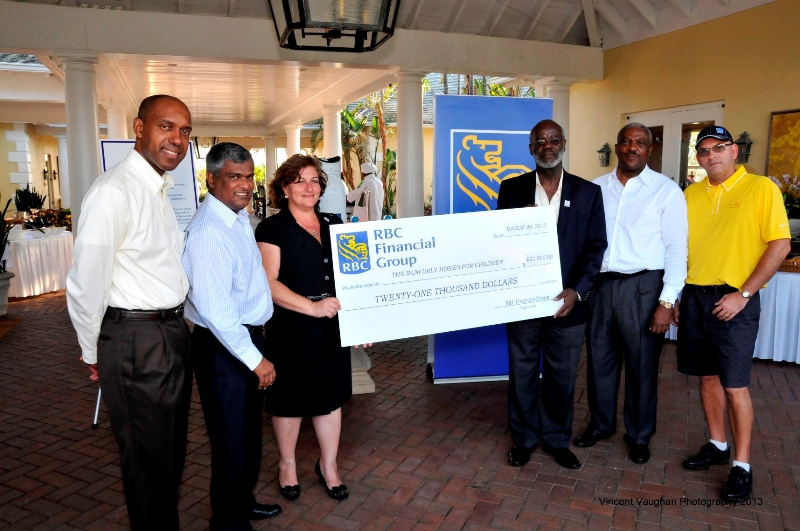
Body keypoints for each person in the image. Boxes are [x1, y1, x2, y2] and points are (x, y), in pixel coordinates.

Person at [66, 94, 194, 530]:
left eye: (185, 131)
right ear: (139, 128)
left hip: (169, 333)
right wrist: (92, 351)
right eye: (166, 126)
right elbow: (87, 281)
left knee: (170, 455)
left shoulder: (157, 187)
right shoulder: (113, 191)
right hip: (137, 340)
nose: (177, 139)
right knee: (147, 463)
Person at [676, 125, 790, 501]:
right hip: (694, 296)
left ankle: (741, 465)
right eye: (704, 150)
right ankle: (717, 444)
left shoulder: (761, 189)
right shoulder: (690, 194)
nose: (711, 155)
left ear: (734, 151)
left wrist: (743, 293)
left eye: (719, 148)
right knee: (707, 378)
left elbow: (780, 245)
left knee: (734, 384)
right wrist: (674, 295)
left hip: (735, 299)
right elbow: (681, 249)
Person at [497, 119, 607, 470]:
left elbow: (595, 249)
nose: (547, 145)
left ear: (563, 144)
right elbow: (499, 243)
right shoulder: (511, 190)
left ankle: (557, 440)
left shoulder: (588, 193)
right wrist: (517, 225)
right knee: (523, 374)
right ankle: (525, 439)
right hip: (524, 304)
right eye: (540, 141)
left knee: (562, 377)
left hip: (568, 306)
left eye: (554, 140)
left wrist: (577, 291)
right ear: (531, 148)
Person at [182, 143, 282, 530]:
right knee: (229, 440)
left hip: (244, 339)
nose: (244, 185)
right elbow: (216, 309)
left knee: (246, 435)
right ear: (212, 178)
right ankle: (226, 522)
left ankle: (242, 502)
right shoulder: (209, 231)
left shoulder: (236, 217)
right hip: (224, 348)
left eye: (248, 177)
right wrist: (254, 358)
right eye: (234, 177)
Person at [576, 123, 688, 465]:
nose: (632, 148)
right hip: (601, 286)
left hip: (644, 287)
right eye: (626, 141)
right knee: (599, 362)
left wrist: (667, 301)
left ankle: (639, 435)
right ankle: (602, 424)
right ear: (617, 146)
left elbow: (676, 250)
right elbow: (583, 242)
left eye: (640, 142)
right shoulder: (595, 189)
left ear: (649, 149)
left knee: (642, 366)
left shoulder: (666, 192)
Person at [255, 154, 361, 502]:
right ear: (284, 187)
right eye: (299, 180)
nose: (308, 187)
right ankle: (287, 465)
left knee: (330, 401)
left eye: (314, 180)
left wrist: (363, 322)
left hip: (332, 331)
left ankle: (328, 467)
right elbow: (269, 284)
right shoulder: (272, 229)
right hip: (292, 330)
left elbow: (356, 280)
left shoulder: (334, 225)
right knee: (289, 402)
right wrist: (312, 307)